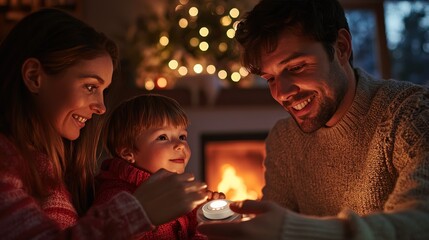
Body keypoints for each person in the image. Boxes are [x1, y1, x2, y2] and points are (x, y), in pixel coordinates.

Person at [198, 0, 429, 239]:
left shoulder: (412, 112)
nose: (282, 93)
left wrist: (298, 231)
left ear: (341, 47)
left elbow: (421, 221)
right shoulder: (285, 139)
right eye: (270, 79)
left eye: (296, 67)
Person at [0, 8, 208, 239]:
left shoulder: (57, 166)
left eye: (103, 91)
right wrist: (139, 212)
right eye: (90, 87)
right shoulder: (6, 159)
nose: (101, 107)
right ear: (33, 76)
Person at [94, 93, 225, 239]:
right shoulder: (122, 203)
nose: (180, 145)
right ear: (128, 153)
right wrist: (207, 229)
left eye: (182, 137)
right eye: (162, 137)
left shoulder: (171, 189)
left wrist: (203, 213)